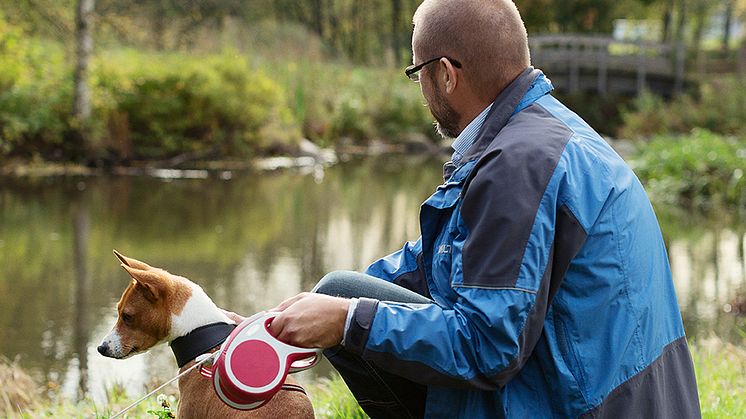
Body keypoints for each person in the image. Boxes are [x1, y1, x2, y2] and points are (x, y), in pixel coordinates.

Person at [264, 0, 701, 417]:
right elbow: (444, 257)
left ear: (446, 74)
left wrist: (348, 319)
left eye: (418, 74)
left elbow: (488, 349)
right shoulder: (545, 131)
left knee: (347, 305)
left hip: (583, 408)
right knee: (340, 293)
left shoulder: (518, 164)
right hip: (629, 402)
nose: (421, 90)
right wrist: (285, 319)